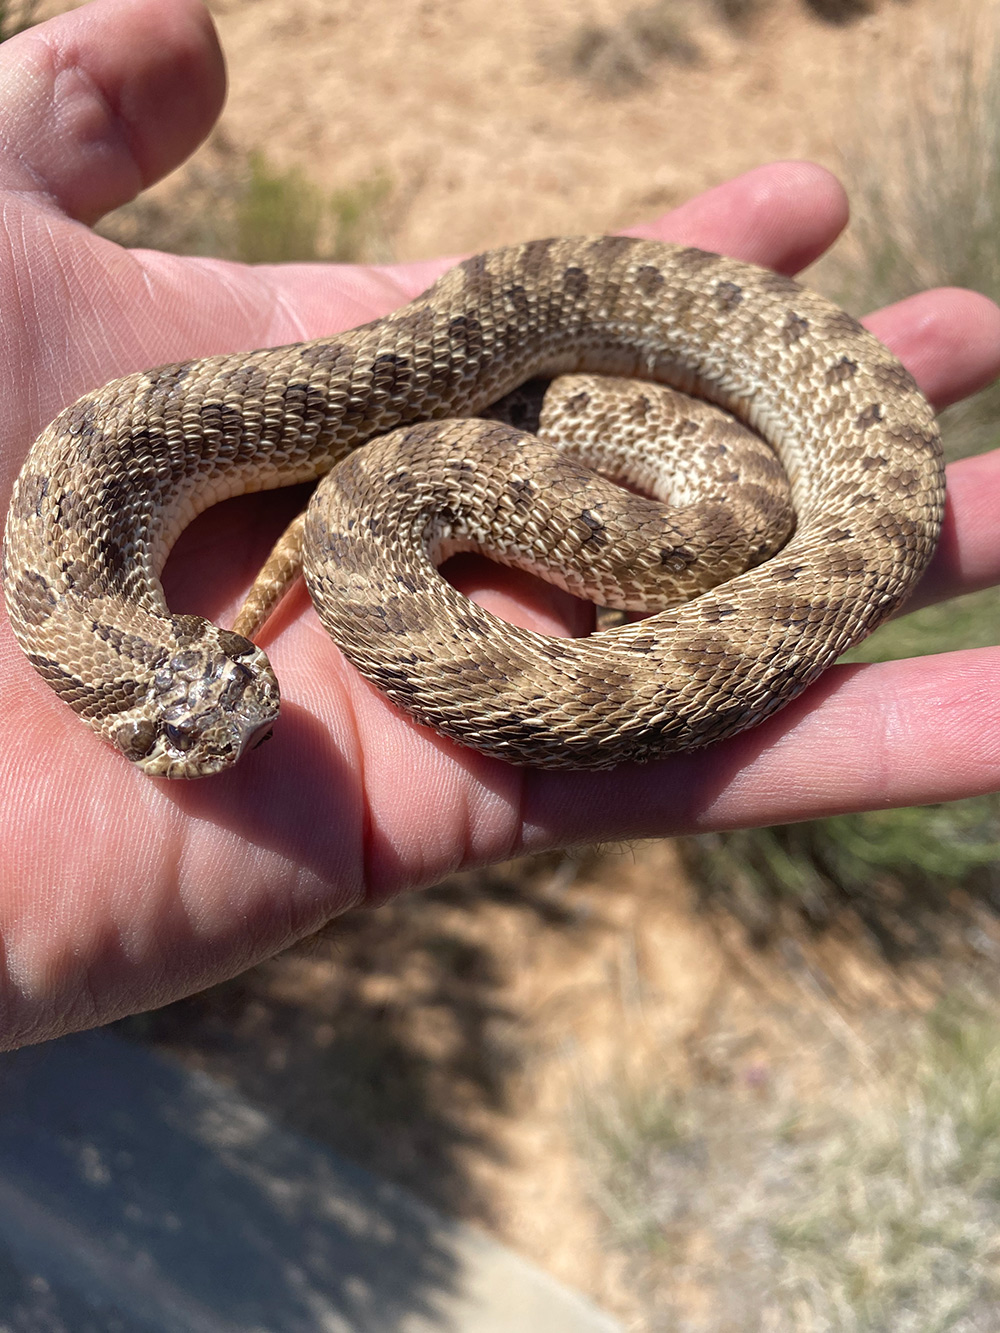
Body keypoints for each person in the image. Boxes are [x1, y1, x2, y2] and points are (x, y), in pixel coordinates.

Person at [1, 0, 998, 1053]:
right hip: (415, 504)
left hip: (619, 482)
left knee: (748, 517)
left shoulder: (106, 500)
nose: (227, 729)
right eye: (169, 735)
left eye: (229, 682)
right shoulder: (93, 483)